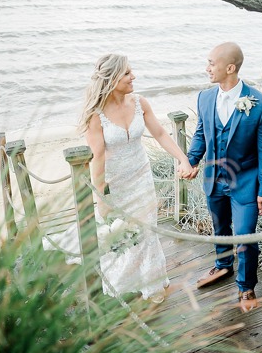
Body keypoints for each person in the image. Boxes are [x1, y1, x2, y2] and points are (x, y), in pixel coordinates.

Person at [80, 53, 195, 303]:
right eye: (127, 73)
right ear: (112, 78)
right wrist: (100, 197)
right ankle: (123, 281)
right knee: (122, 234)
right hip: (115, 183)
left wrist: (183, 159)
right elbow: (97, 158)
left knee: (146, 231)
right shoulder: (95, 116)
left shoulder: (140, 103)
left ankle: (152, 285)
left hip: (142, 176)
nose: (134, 77)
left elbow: (162, 133)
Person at [187, 42, 262, 313]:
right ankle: (223, 266)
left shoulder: (261, 104)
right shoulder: (204, 98)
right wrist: (191, 160)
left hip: (246, 183)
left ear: (230, 67)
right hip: (214, 179)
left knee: (246, 235)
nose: (207, 68)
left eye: (211, 63)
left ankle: (246, 286)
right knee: (220, 229)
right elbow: (201, 133)